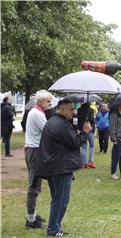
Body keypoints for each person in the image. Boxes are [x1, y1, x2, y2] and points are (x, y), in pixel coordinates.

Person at [36, 99, 92, 236]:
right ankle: (53, 229)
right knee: (61, 200)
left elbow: (68, 140)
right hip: (60, 167)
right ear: (62, 109)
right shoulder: (61, 124)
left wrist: (77, 131)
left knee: (57, 199)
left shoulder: (53, 121)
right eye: (71, 109)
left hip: (54, 166)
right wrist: (85, 132)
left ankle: (54, 226)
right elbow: (75, 143)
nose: (73, 111)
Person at [24, 90, 53, 228]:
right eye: (48, 101)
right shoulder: (37, 113)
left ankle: (33, 215)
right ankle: (30, 220)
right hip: (35, 150)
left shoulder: (37, 112)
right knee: (34, 186)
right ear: (40, 101)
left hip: (34, 149)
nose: (50, 103)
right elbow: (48, 131)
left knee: (36, 184)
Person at [77, 103, 96, 168]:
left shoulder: (79, 110)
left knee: (83, 147)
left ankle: (84, 163)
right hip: (89, 129)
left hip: (82, 130)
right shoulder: (90, 110)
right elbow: (92, 120)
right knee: (91, 146)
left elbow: (78, 121)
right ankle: (90, 161)